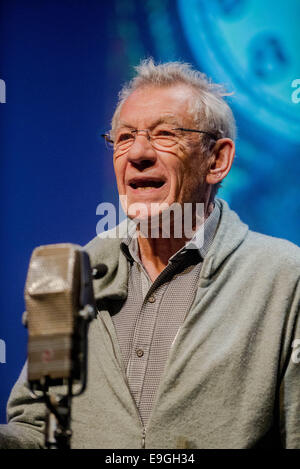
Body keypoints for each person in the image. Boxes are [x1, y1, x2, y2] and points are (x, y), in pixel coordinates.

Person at [0, 59, 299, 449]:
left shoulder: (282, 277)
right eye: (123, 138)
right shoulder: (78, 271)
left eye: (164, 135)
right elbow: (37, 428)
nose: (137, 154)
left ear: (218, 160)